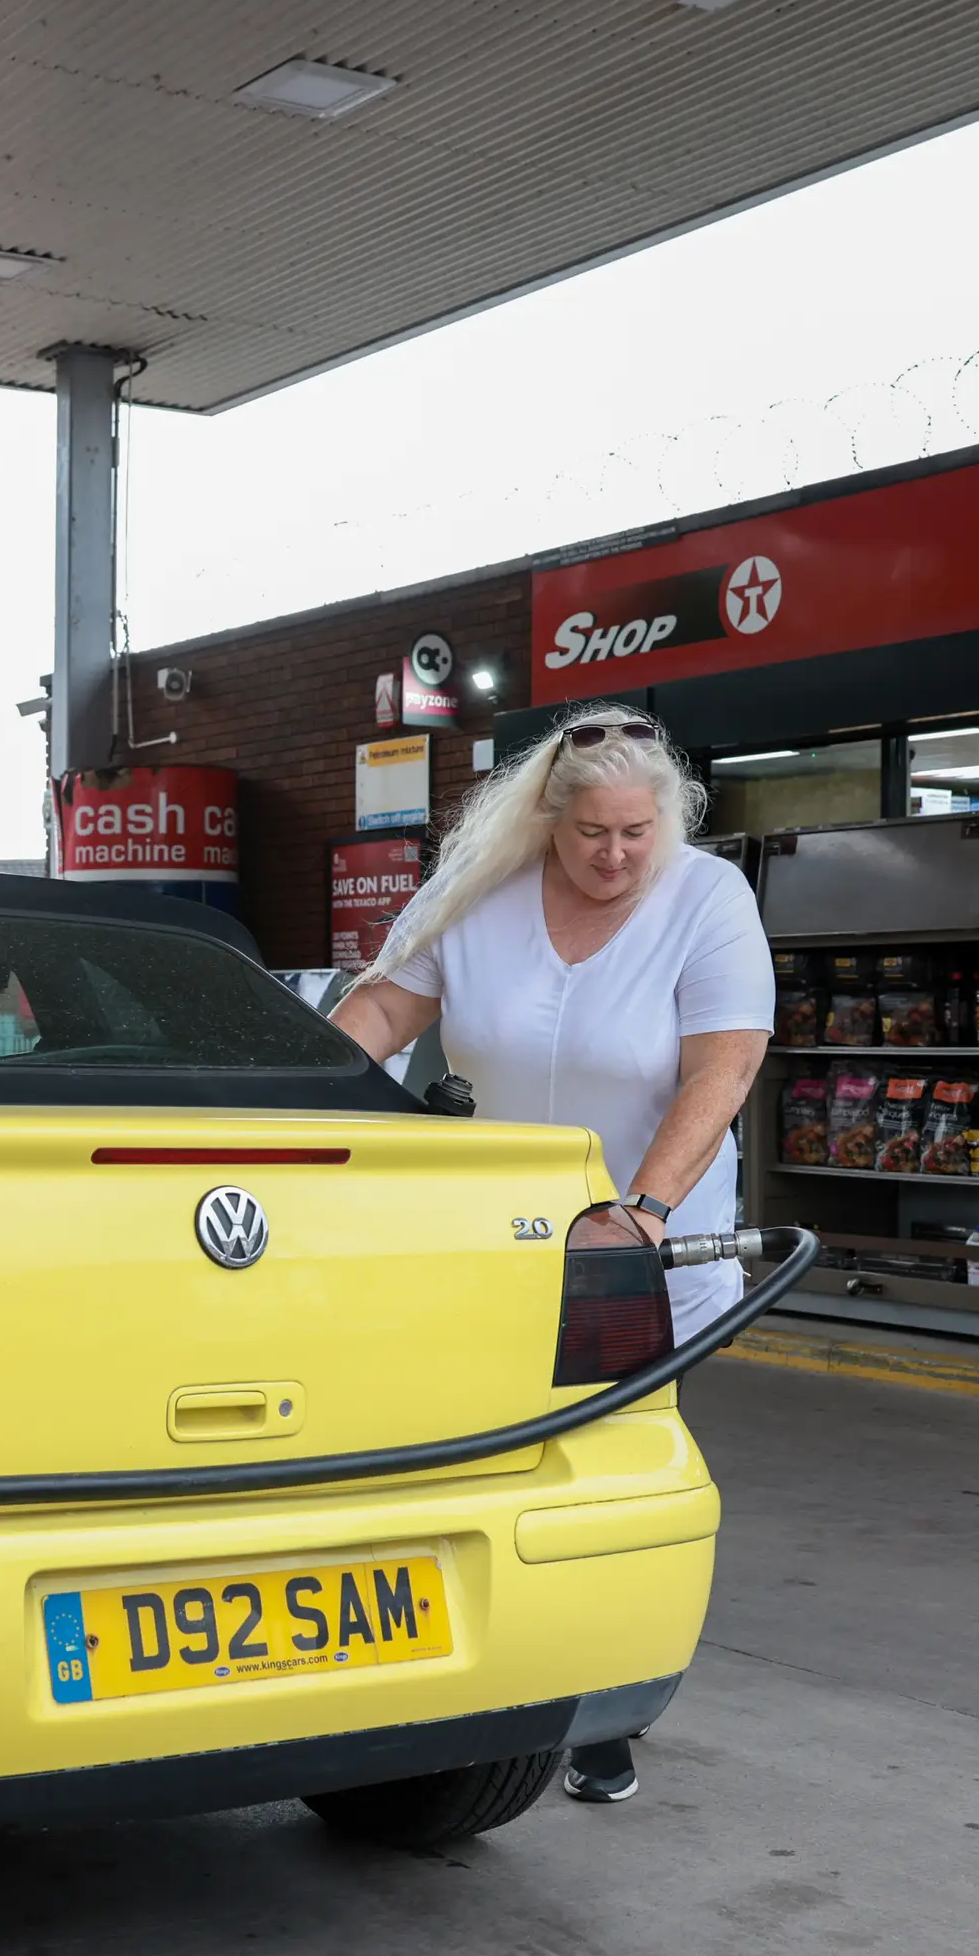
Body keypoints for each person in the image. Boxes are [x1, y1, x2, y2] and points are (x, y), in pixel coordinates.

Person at [328, 704, 773, 1806]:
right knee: (461, 1466)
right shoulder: (476, 892)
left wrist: (645, 1211)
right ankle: (453, 1681)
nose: (617, 855)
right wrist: (289, 1115)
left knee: (594, 1475)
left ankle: (598, 1708)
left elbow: (719, 1068)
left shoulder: (705, 898)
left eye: (637, 831)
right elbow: (377, 1013)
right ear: (549, 821)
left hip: (636, 1263)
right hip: (480, 1256)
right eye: (593, 834)